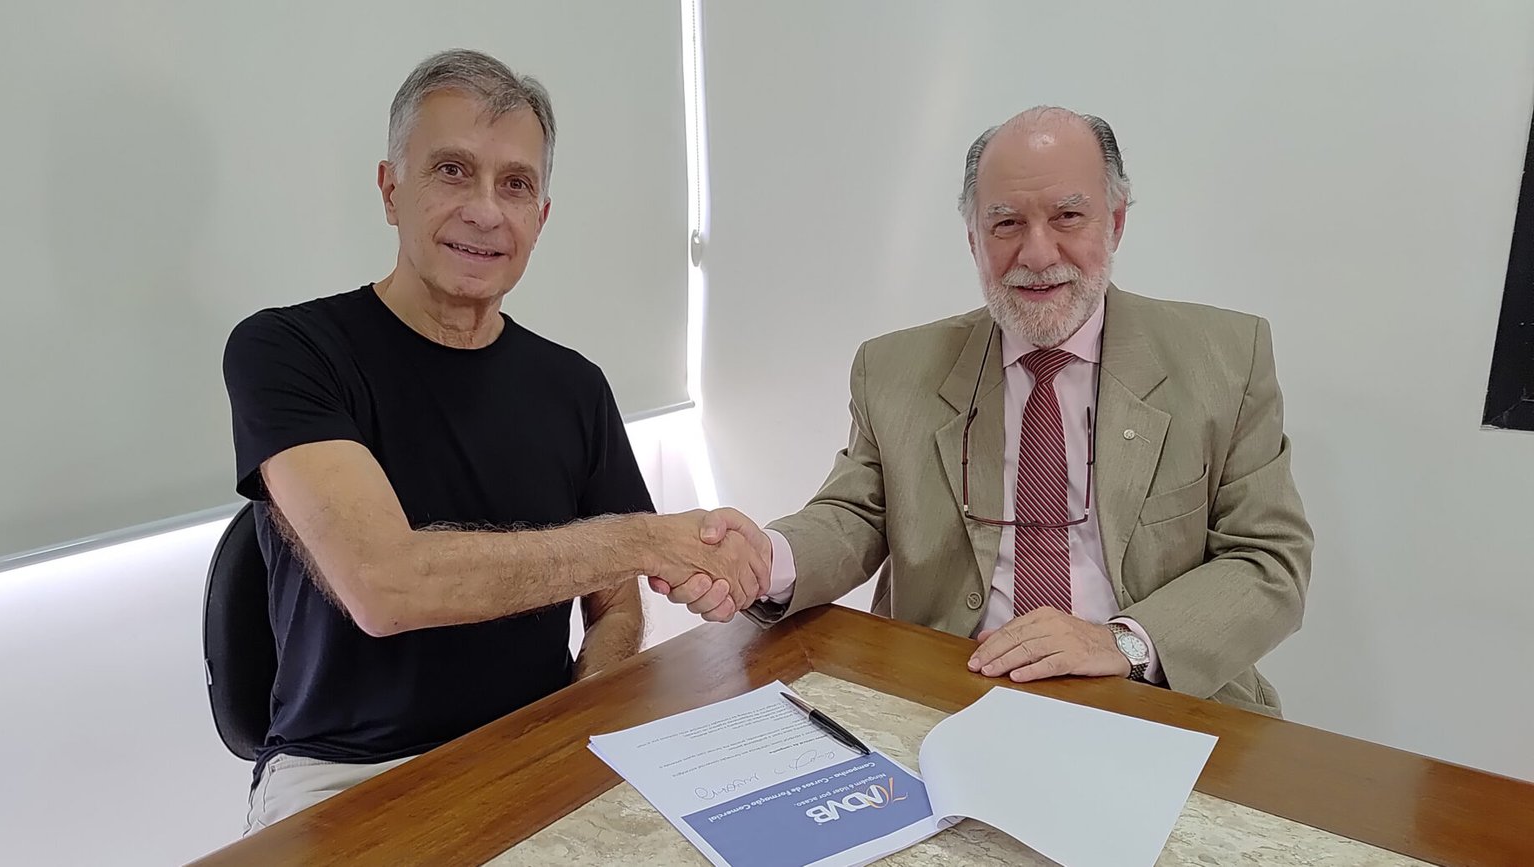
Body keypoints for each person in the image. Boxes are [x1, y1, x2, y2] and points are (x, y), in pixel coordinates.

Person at [223, 49, 768, 833]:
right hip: (344, 775)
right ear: (390, 189)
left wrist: (589, 706)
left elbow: (615, 602)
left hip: (531, 746)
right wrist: (647, 538)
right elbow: (385, 584)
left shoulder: (574, 385)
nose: (486, 210)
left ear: (540, 217)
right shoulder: (288, 351)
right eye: (452, 171)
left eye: (515, 184)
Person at [658, 106, 1313, 716]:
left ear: (1115, 222)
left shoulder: (1226, 359)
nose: (1037, 254)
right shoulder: (894, 370)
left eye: (1068, 216)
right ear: (973, 238)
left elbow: (1269, 560)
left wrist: (1122, 642)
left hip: (1158, 697)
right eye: (1006, 224)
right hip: (947, 693)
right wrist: (765, 558)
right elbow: (856, 514)